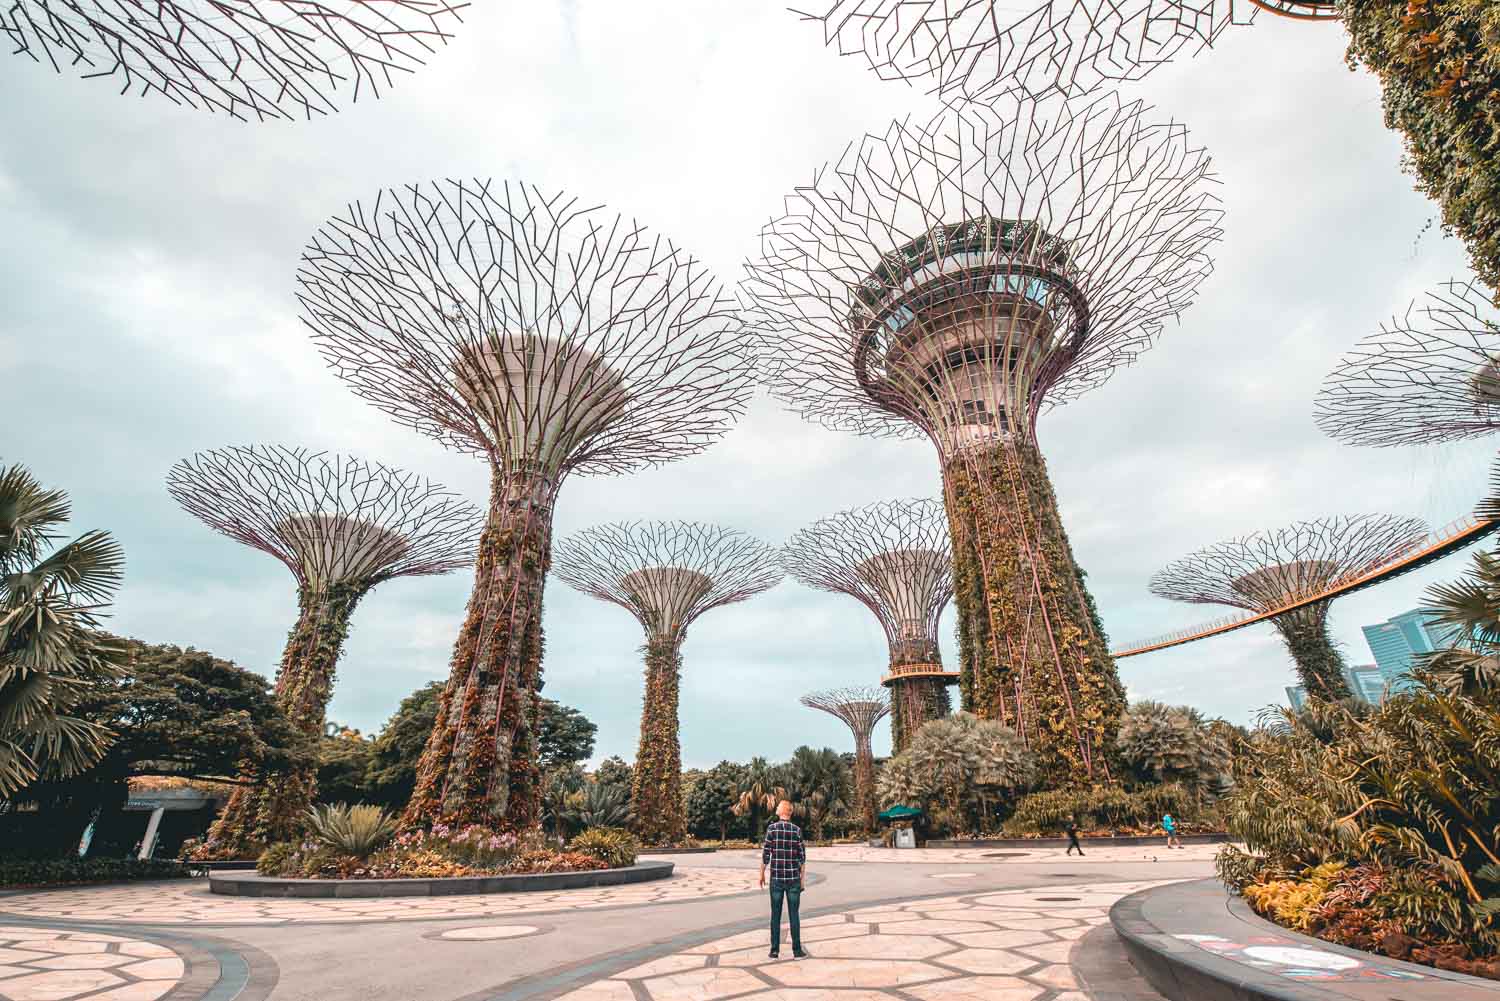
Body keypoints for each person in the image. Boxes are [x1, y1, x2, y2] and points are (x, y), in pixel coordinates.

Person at [759, 799, 808, 959]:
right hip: (793, 879)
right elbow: (802, 858)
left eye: (778, 806)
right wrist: (802, 880)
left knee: (775, 915)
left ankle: (774, 950)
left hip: (777, 879)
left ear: (784, 811)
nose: (776, 808)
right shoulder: (797, 830)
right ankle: (797, 951)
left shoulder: (772, 829)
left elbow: (766, 853)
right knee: (794, 915)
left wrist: (761, 873)